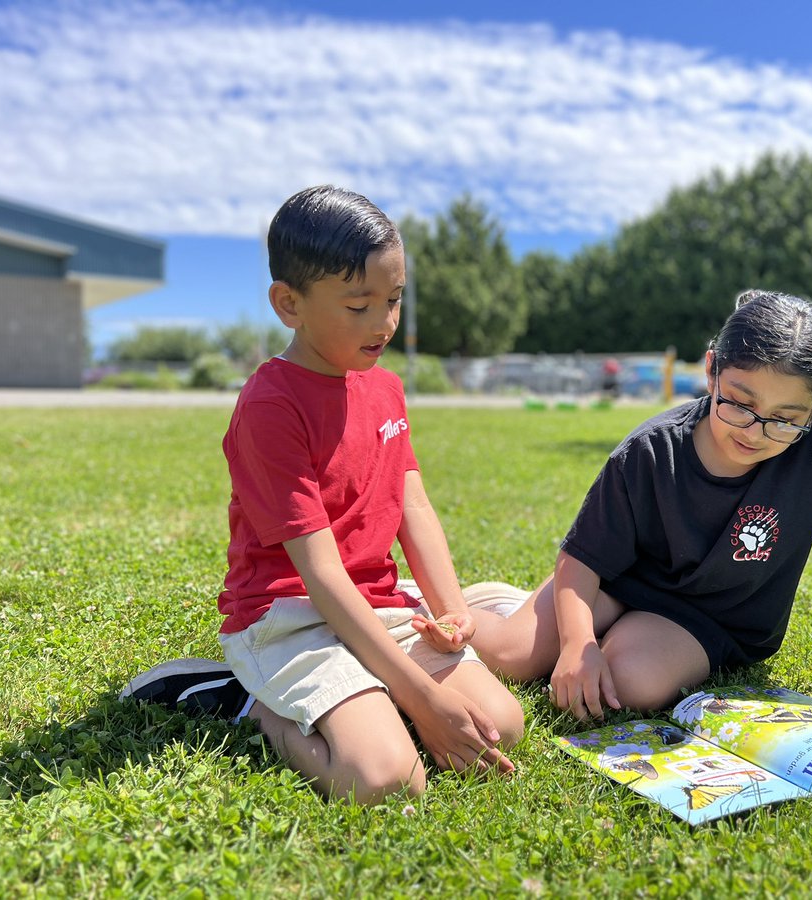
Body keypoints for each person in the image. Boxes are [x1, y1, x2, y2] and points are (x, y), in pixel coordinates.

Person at [469, 290, 812, 752]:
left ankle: (591, 627)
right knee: (511, 657)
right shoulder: (650, 449)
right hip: (618, 581)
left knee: (629, 684)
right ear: (712, 370)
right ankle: (481, 607)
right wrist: (575, 644)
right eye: (738, 402)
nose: (755, 431)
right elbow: (583, 558)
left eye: (785, 419)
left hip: (708, 620)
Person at [123, 186, 523, 804]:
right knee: (385, 780)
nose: (384, 323)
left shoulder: (385, 389)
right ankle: (248, 702)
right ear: (289, 303)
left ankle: (370, 691)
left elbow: (412, 506)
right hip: (292, 615)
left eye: (393, 301)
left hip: (378, 604)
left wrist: (452, 614)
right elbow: (320, 575)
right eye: (359, 305)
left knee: (504, 727)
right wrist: (420, 696)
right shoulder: (270, 406)